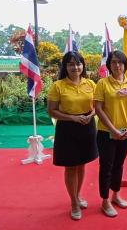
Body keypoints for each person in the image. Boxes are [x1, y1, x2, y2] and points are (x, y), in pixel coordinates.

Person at [47, 51, 98, 221]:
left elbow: (98, 105)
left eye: (78, 64)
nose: (75, 67)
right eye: (71, 64)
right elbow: (52, 111)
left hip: (87, 126)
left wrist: (90, 116)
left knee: (82, 164)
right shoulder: (58, 86)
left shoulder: (90, 84)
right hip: (67, 128)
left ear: (83, 66)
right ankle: (74, 202)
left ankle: (78, 195)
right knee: (70, 166)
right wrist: (73, 118)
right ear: (65, 66)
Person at [94, 50, 127, 218]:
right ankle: (105, 200)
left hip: (126, 133)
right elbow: (98, 109)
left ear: (125, 64)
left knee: (119, 165)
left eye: (120, 62)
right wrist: (113, 129)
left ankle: (116, 194)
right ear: (109, 65)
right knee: (106, 167)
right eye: (114, 62)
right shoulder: (103, 84)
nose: (117, 65)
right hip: (107, 133)